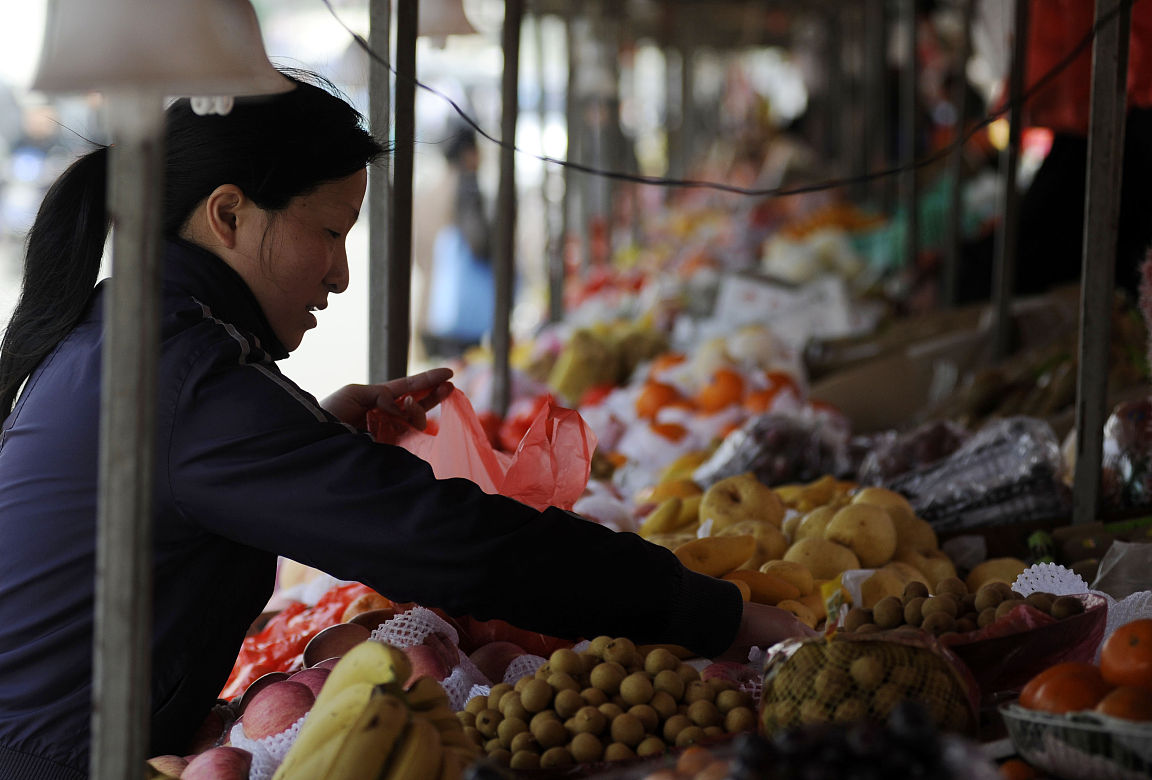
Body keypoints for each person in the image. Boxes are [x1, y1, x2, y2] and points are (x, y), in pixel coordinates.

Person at [0, 71, 801, 779]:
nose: (343, 274)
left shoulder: (140, 336)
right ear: (230, 216)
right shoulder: (183, 375)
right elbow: (454, 540)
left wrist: (311, 434)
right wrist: (718, 614)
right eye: (330, 232)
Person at [421, 126, 496, 358]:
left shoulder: (431, 189)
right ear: (468, 153)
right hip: (463, 311)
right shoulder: (466, 187)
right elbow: (478, 242)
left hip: (432, 308)